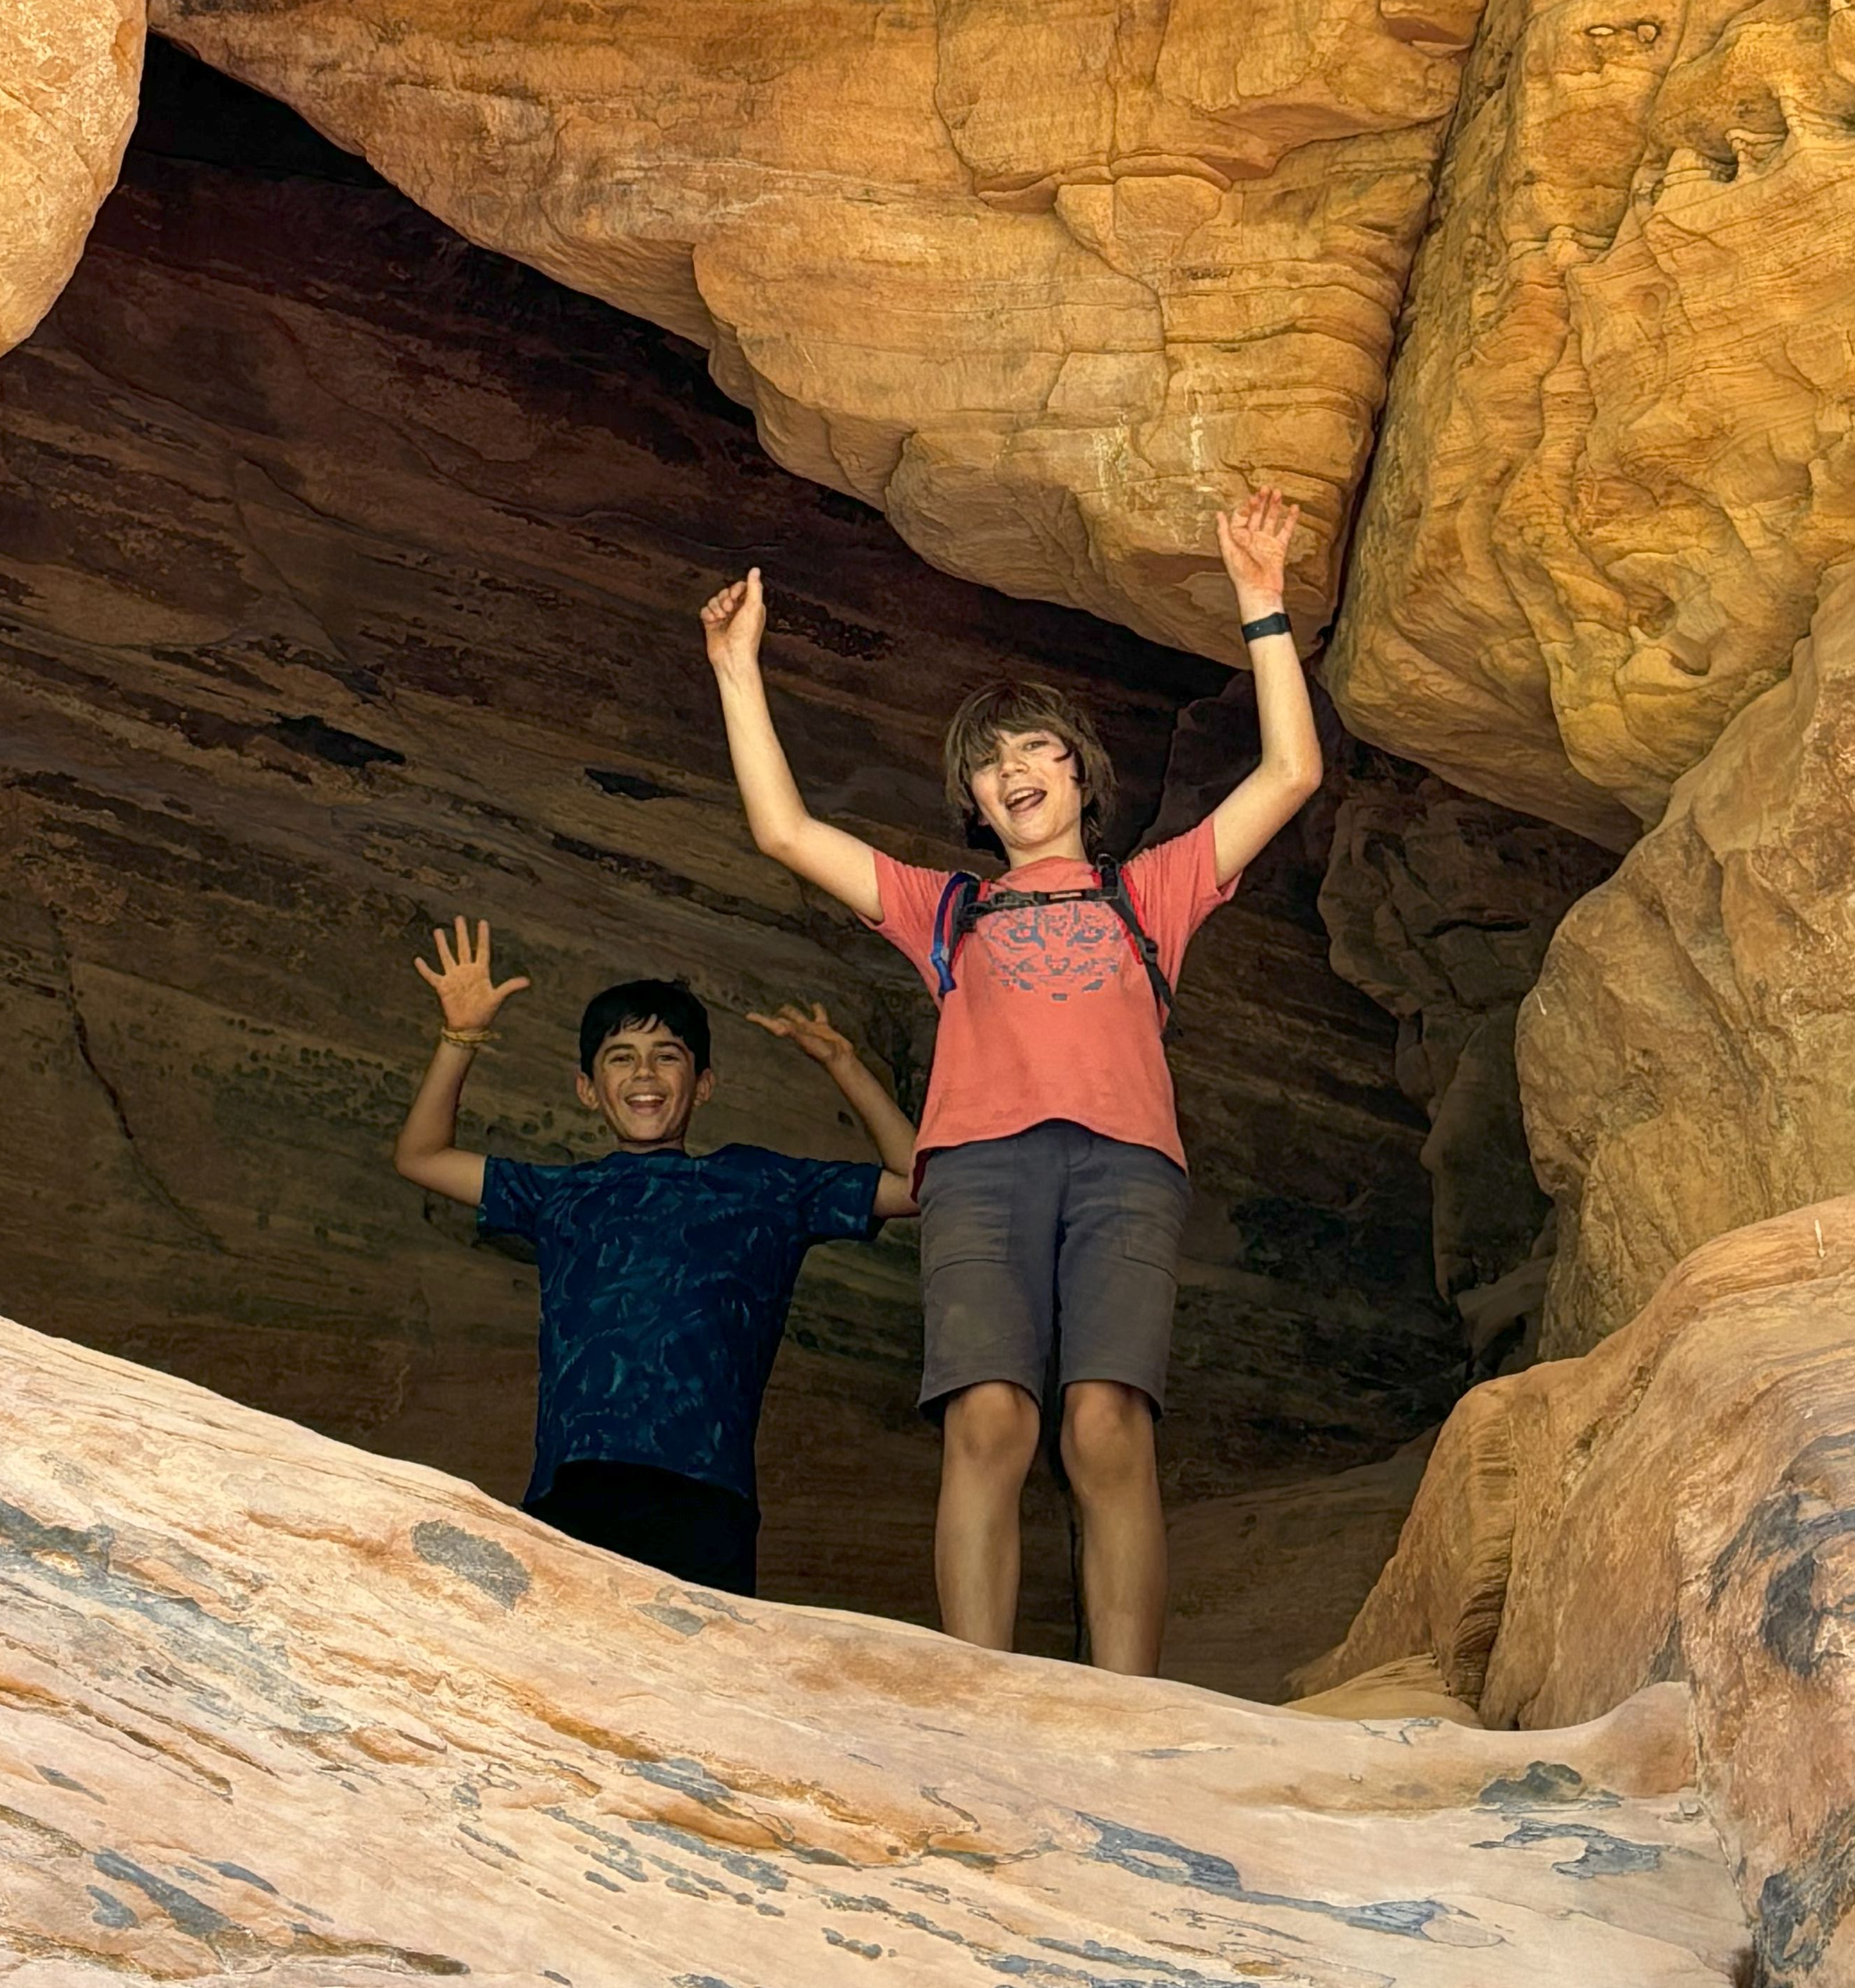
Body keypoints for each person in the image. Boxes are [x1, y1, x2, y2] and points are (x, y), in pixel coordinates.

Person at [697, 492, 1322, 1673]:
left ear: (1079, 773)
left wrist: (1259, 600)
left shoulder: (1151, 892)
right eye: (986, 765)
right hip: (979, 1172)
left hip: (1125, 1170)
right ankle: (977, 1697)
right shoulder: (946, 908)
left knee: (1106, 1425)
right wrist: (737, 669)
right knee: (989, 1420)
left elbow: (1289, 772)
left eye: (1032, 747)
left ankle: (1124, 1708)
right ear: (974, 807)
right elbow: (784, 830)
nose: (1010, 770)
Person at [392, 920, 916, 1598]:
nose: (644, 1073)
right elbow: (422, 1156)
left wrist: (845, 1065)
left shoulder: (763, 1188)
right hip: (573, 1486)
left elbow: (920, 1185)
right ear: (588, 1089)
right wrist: (460, 1036)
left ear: (703, 1085)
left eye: (667, 1056)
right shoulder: (562, 1195)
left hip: (707, 1494)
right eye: (620, 1057)